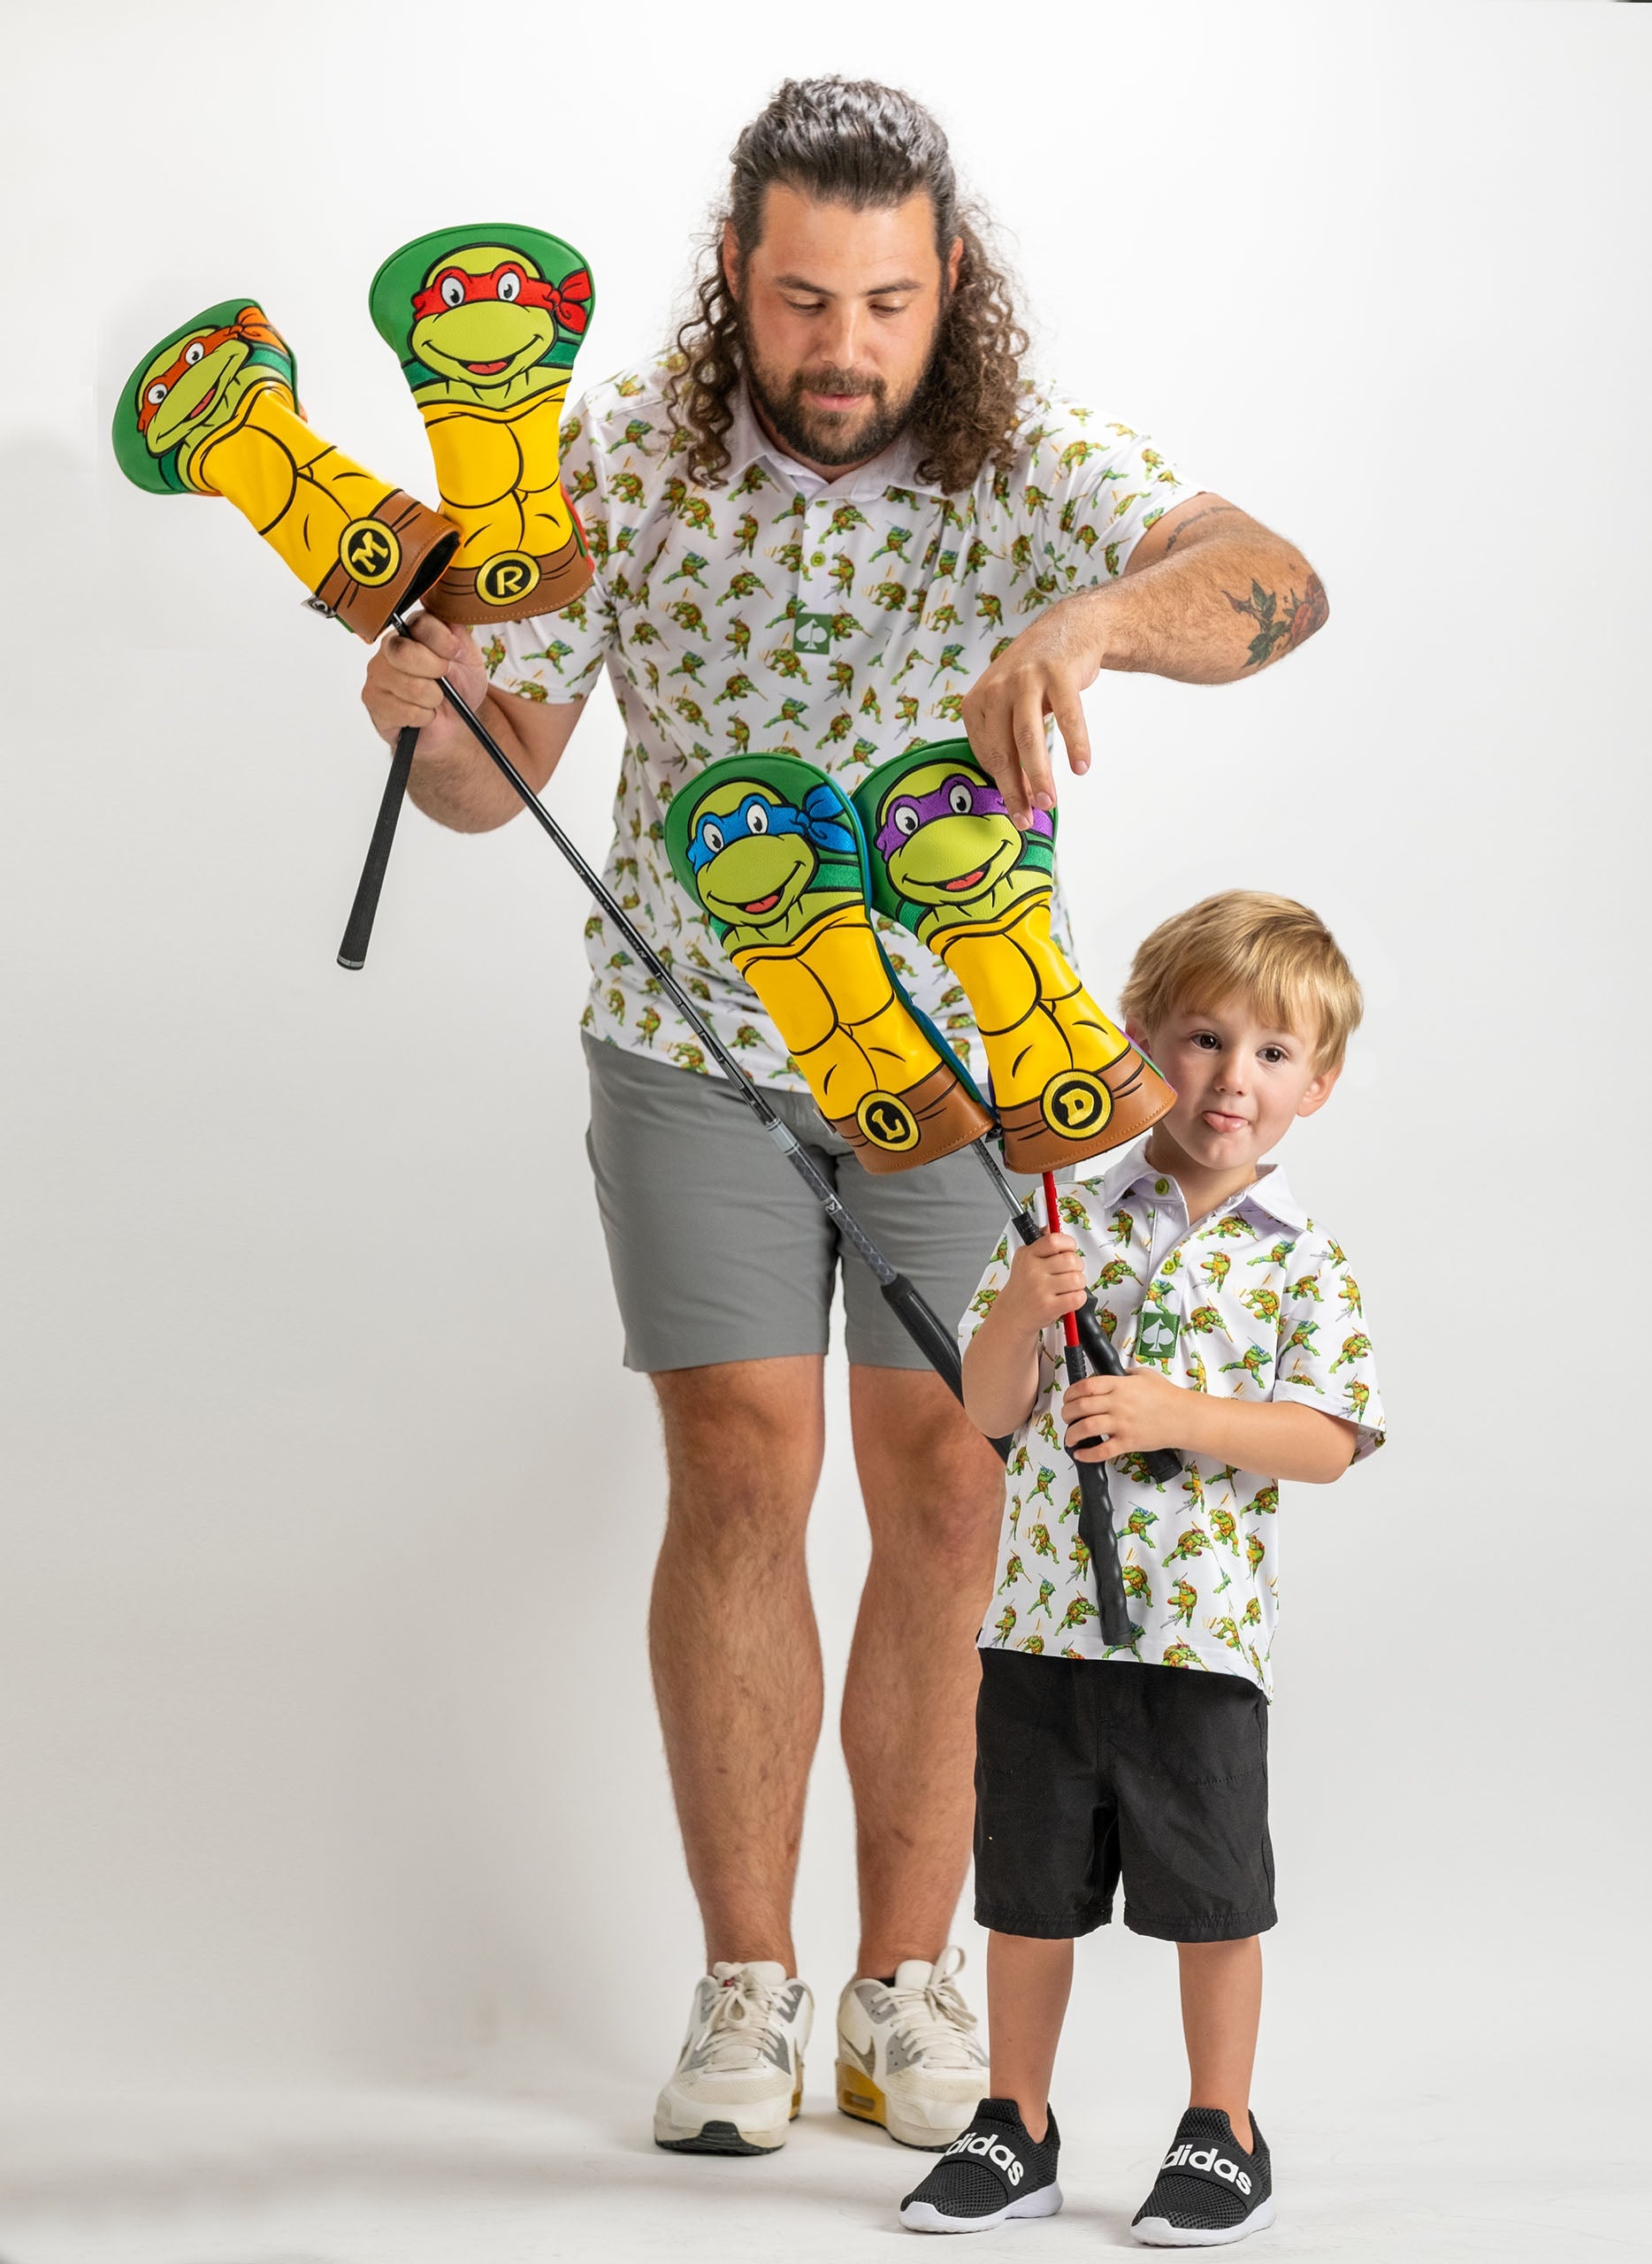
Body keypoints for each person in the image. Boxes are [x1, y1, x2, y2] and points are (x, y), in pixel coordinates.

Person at [359, 80, 1331, 2159]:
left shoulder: (1030, 461)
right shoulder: (607, 456)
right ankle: (746, 1983)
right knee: (736, 1463)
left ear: (945, 283)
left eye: (885, 301)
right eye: (801, 296)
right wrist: (435, 720)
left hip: (964, 1055)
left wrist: (1096, 620)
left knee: (946, 1483)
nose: (841, 347)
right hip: (690, 1027)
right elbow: (484, 778)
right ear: (735, 273)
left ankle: (906, 1981)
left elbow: (1273, 582)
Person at [899, 891, 1384, 2243]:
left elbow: (1328, 1441)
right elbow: (991, 1411)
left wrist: (1177, 1415)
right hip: (1044, 1631)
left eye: (1274, 1054)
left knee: (1213, 1897)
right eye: (1202, 1038)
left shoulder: (1308, 1264)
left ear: (1318, 1085)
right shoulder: (1072, 1221)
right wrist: (1017, 1304)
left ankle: (1221, 2128)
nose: (1233, 1077)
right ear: (1133, 1043)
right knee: (1028, 1897)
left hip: (1197, 1643)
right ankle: (1016, 2124)